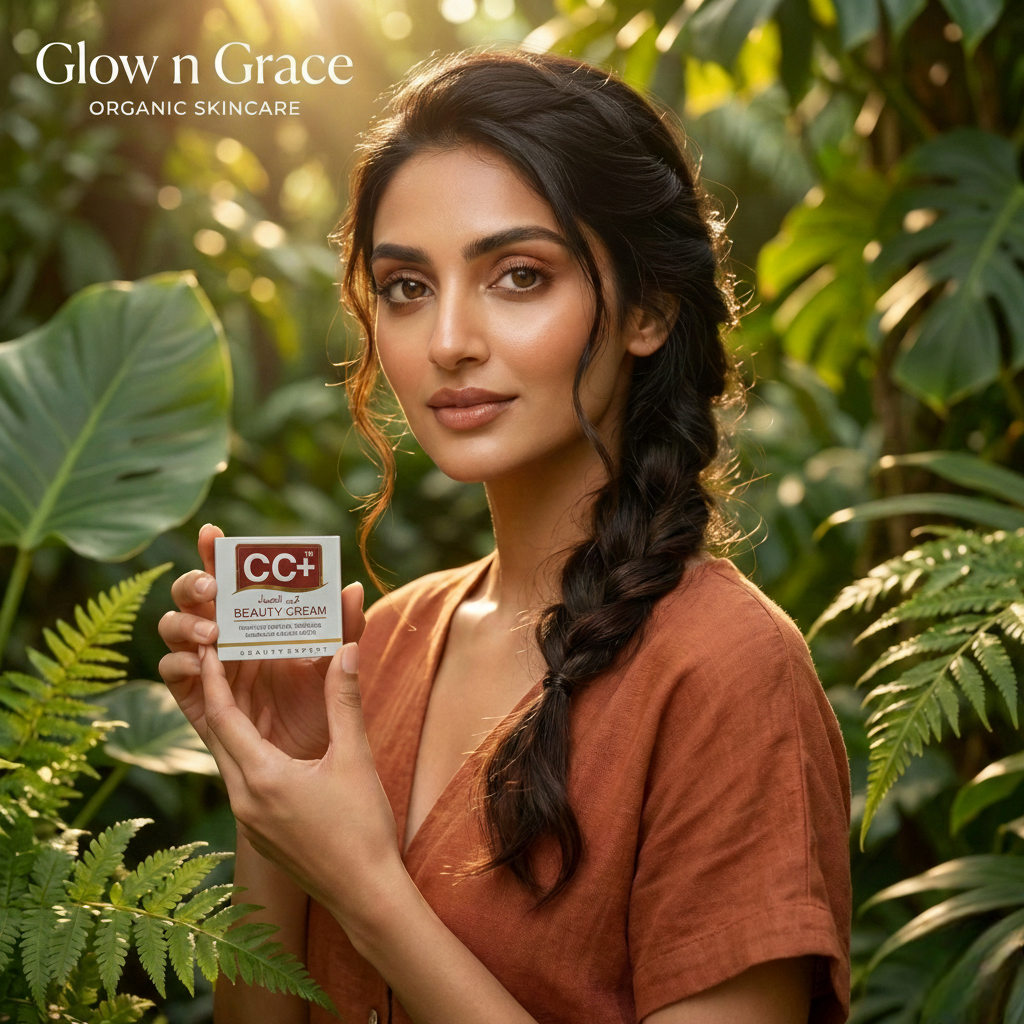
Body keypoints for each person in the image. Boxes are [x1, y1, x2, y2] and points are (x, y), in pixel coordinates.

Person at [158, 49, 851, 1024]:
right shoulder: (378, 646)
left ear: (646, 308)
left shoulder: (729, 673)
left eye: (518, 275)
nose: (447, 340)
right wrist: (274, 778)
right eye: (405, 287)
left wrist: (366, 889)